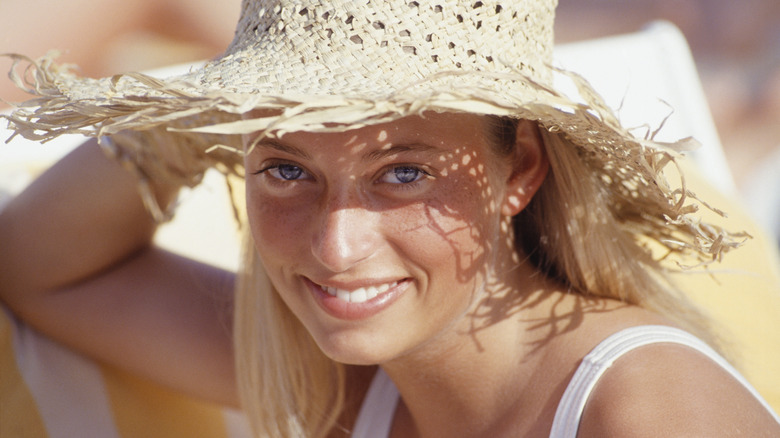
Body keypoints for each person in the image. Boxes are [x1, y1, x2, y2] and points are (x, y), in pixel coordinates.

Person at [1, 0, 779, 437]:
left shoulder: (646, 410)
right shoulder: (350, 381)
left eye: (403, 173)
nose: (336, 246)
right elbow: (42, 269)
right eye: (286, 169)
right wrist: (189, 125)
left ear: (524, 170)